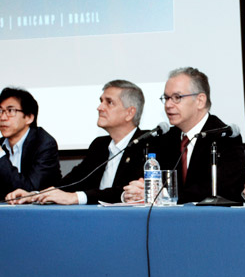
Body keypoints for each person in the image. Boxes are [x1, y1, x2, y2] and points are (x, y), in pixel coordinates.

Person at [8, 81, 146, 205]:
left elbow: (125, 191)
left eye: (109, 102)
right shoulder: (99, 145)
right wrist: (36, 195)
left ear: (130, 113)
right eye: (101, 101)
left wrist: (75, 198)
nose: (99, 107)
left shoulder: (146, 144)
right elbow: (73, 181)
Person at [122, 67, 244, 203]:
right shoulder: (165, 138)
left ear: (200, 100)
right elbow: (144, 182)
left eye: (176, 98)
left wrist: (162, 196)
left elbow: (220, 190)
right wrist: (135, 193)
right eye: (166, 98)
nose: (168, 105)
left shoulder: (225, 137)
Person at [0, 87, 61, 200]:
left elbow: (29, 191)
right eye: (0, 111)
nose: (3, 117)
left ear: (29, 118)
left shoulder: (44, 143)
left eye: (11, 111)